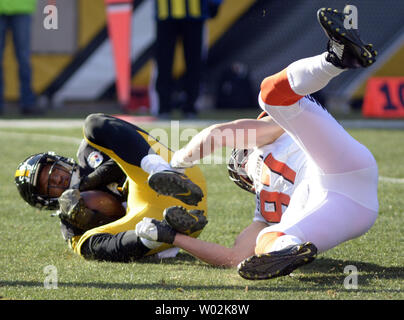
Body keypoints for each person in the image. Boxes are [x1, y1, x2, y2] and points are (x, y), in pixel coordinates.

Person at [136, 7, 379, 279]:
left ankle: (334, 59)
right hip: (342, 182)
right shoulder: (262, 200)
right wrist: (177, 166)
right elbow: (217, 135)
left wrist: (172, 235)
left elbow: (232, 257)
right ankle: (333, 61)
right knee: (270, 96)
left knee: (270, 238)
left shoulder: (264, 196)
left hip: (352, 209)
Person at [15, 113, 207, 262]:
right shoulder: (70, 224)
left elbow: (119, 155)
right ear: (46, 201)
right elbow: (101, 248)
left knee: (94, 124)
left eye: (51, 170)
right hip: (167, 224)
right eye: (46, 185)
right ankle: (157, 233)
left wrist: (91, 180)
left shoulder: (89, 154)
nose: (55, 179)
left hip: (180, 174)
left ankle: (161, 171)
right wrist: (93, 219)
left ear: (59, 161)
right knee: (86, 246)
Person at [151, 0, 223, 119]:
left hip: (194, 13)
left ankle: (190, 106)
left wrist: (215, 3)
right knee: (164, 63)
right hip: (166, 13)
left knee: (194, 63)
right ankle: (164, 106)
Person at [0, 0, 38, 115]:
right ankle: (27, 103)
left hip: (22, 7)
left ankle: (28, 103)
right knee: (23, 58)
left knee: (24, 59)